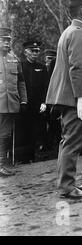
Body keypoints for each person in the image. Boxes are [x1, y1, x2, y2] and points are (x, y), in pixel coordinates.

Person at [45, 0, 82, 199]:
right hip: (75, 98)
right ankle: (67, 186)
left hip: (69, 97)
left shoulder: (72, 32)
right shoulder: (77, 33)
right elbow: (76, 67)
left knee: (67, 141)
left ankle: (67, 183)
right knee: (72, 143)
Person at [0, 27, 28, 176]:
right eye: (3, 40)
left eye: (8, 40)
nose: (6, 43)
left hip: (11, 103)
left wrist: (23, 100)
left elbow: (21, 82)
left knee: (5, 134)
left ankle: (1, 164)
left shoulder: (14, 59)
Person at [21, 40, 49, 162]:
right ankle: (26, 157)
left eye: (37, 51)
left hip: (39, 105)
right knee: (25, 130)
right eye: (32, 51)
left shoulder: (42, 67)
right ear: (26, 52)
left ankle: (40, 155)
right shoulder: (20, 66)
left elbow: (46, 86)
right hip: (25, 104)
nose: (35, 53)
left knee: (39, 130)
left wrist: (44, 102)